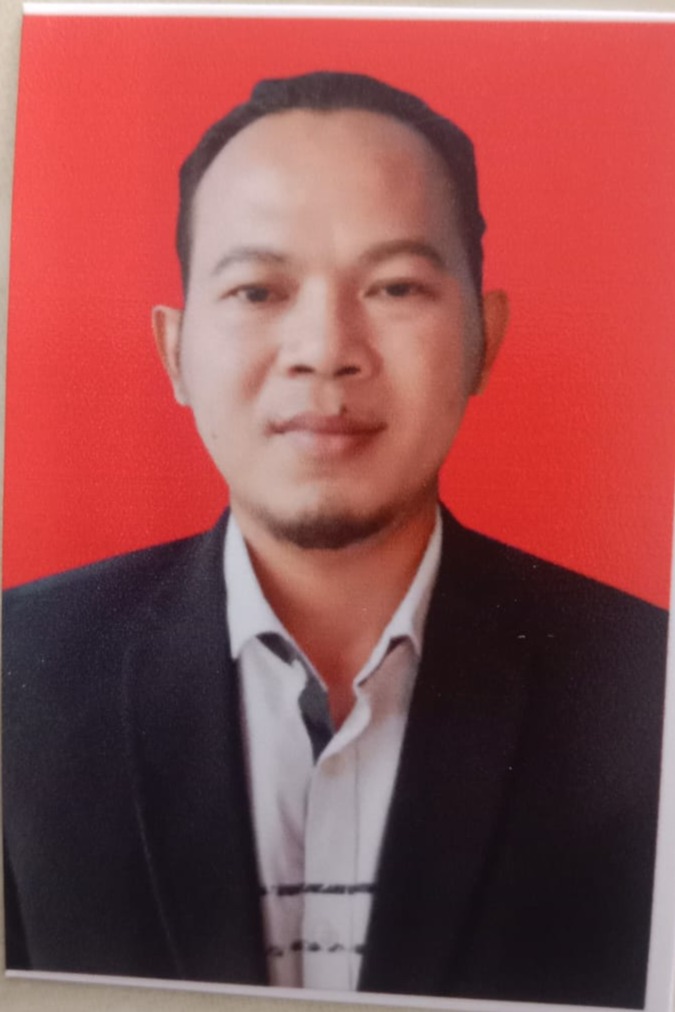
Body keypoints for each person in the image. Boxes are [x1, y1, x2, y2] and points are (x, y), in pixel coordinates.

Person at [2, 71, 668, 1008]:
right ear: (174, 351)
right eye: (257, 289)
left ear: (484, 339)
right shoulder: (18, 672)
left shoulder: (645, 685)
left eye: (394, 286)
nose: (324, 348)